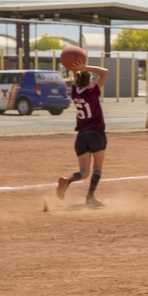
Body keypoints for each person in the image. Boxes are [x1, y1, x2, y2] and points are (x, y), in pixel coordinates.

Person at [56, 62, 109, 208]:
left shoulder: (74, 92)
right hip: (96, 134)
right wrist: (85, 67)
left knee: (83, 172)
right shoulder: (93, 92)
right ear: (90, 81)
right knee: (97, 169)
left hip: (81, 136)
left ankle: (68, 180)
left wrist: (76, 69)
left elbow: (77, 80)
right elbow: (105, 72)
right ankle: (90, 196)